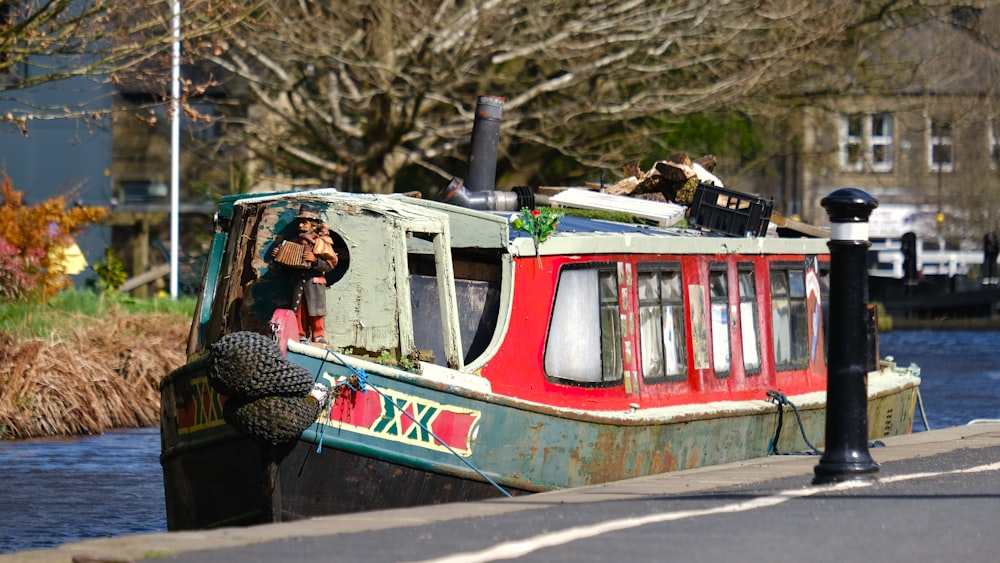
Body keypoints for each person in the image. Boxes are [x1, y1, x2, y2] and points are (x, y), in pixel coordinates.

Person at [272, 204, 338, 344]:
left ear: (313, 224)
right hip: (298, 281)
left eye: (305, 222)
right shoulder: (295, 242)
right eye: (300, 222)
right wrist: (278, 256)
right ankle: (300, 334)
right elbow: (287, 261)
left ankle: (318, 335)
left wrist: (315, 261)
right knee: (298, 309)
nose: (301, 225)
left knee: (317, 310)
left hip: (314, 282)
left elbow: (331, 264)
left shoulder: (321, 242)